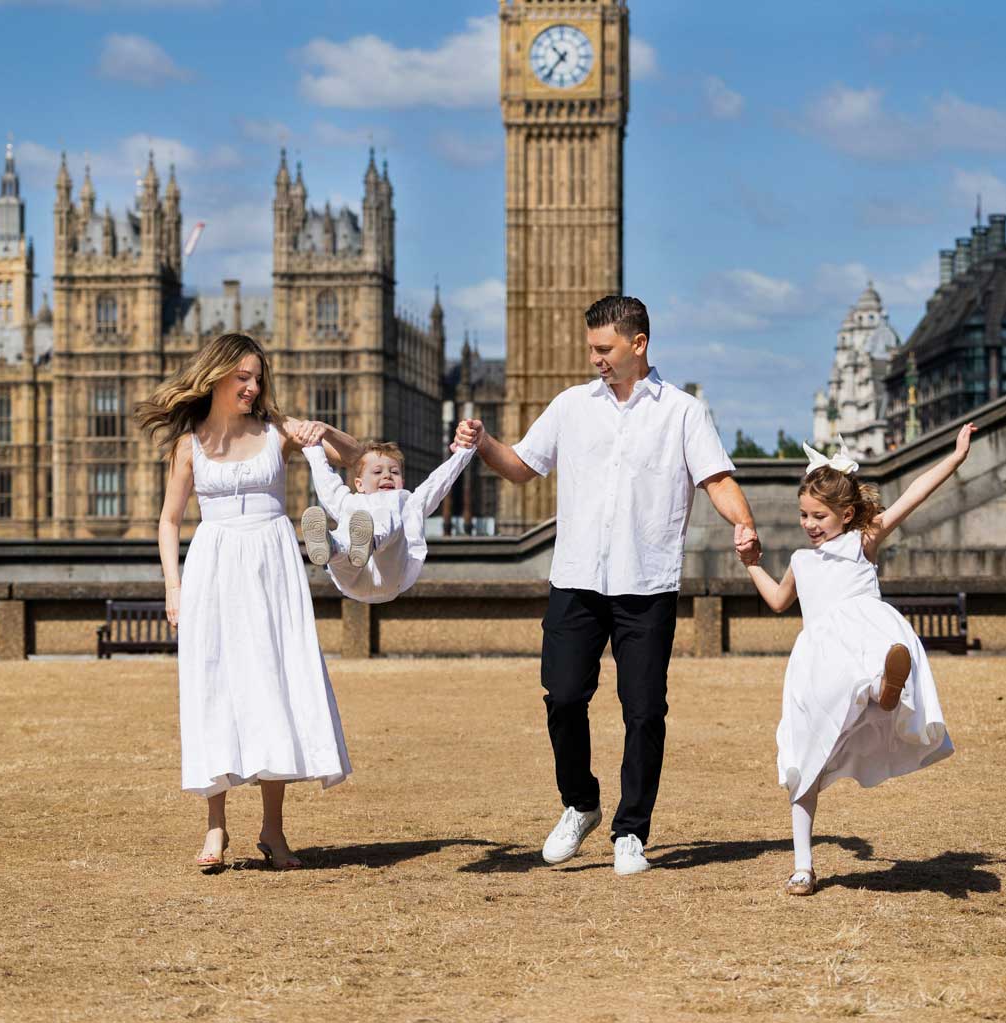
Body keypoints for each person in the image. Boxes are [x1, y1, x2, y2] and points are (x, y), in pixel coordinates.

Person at [455, 295, 760, 877]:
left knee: (643, 711)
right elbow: (522, 466)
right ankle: (581, 803)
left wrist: (744, 524)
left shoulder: (683, 413)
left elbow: (716, 478)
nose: (594, 358)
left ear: (637, 345)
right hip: (576, 578)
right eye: (591, 348)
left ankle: (631, 831)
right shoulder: (572, 406)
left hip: (646, 582)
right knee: (563, 697)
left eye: (603, 348)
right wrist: (484, 443)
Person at [134, 332, 358, 872]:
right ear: (215, 378)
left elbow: (355, 458)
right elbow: (169, 521)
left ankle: (273, 831)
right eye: (243, 377)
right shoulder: (189, 444)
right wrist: (172, 585)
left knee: (271, 687)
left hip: (271, 565)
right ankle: (216, 827)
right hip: (212, 566)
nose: (253, 386)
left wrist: (322, 431)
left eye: (258, 378)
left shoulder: (277, 431)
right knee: (215, 688)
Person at [740, 429, 970, 895]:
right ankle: (802, 866)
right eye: (803, 515)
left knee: (872, 660)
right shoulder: (802, 561)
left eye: (819, 516)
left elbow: (913, 495)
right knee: (802, 758)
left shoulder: (863, 540)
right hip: (818, 659)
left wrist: (957, 456)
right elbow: (779, 601)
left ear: (845, 514)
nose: (810, 524)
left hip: (865, 636)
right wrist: (751, 563)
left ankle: (885, 689)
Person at [299, 438, 476, 603]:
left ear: (402, 481)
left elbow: (437, 482)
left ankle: (370, 540)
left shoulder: (408, 503)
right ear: (359, 484)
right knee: (342, 548)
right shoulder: (350, 502)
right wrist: (313, 448)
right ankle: (333, 548)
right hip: (352, 578)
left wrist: (463, 453)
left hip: (391, 576)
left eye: (394, 472)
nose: (387, 476)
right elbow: (327, 484)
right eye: (377, 471)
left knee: (389, 512)